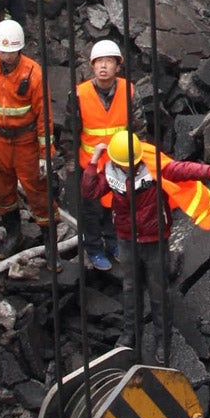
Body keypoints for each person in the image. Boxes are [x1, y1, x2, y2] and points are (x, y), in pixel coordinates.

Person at [81, 131, 210, 356]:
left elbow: (183, 169)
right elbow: (89, 190)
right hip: (127, 238)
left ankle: (163, 341)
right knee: (130, 287)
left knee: (158, 291)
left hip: (154, 240)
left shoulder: (155, 170)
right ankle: (129, 334)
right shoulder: (110, 173)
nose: (126, 168)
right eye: (122, 164)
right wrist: (93, 161)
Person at [0, 19, 51, 253]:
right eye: (1, 50)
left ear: (19, 49)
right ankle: (13, 234)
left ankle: (49, 239)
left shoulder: (33, 73)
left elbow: (44, 116)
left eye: (10, 51)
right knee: (1, 189)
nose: (5, 55)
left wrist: (45, 155)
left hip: (25, 142)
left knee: (36, 190)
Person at [77, 40, 136, 273]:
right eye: (99, 62)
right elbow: (71, 133)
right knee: (90, 211)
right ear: (92, 66)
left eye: (108, 62)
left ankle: (113, 244)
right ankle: (93, 249)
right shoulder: (80, 94)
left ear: (117, 66)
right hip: (90, 164)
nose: (103, 66)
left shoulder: (128, 90)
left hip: (119, 164)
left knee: (117, 206)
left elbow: (138, 127)